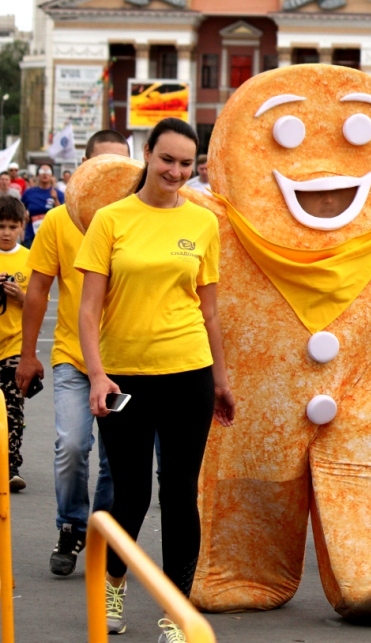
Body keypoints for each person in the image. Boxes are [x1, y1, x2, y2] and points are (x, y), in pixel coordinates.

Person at [75, 118, 235, 642]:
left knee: (181, 494)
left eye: (187, 163)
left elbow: (209, 311)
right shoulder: (111, 220)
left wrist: (221, 377)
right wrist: (97, 375)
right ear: (147, 154)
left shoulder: (203, 223)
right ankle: (114, 585)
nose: (176, 171)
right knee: (131, 495)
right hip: (124, 380)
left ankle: (175, 613)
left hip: (188, 371)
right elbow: (90, 307)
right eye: (168, 159)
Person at [17, 129, 129, 576]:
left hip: (126, 360)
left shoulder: (141, 219)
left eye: (121, 167)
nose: (111, 177)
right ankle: (70, 525)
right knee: (71, 446)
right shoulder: (61, 221)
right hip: (72, 358)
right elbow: (39, 289)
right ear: (81, 171)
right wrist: (29, 354)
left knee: (116, 459)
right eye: (101, 167)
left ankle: (98, 530)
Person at [0, 197, 32, 492]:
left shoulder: (29, 259)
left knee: (13, 410)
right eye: (1, 227)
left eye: (12, 227)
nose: (6, 233)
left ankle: (11, 467)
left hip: (14, 348)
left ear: (22, 226)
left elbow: (38, 305)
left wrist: (20, 295)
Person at [22, 165, 65, 248]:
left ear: (52, 175)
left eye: (48, 172)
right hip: (31, 235)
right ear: (38, 175)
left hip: (51, 236)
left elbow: (62, 214)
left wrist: (55, 199)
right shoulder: (29, 193)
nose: (45, 174)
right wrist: (24, 216)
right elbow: (21, 209)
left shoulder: (59, 194)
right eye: (42, 171)